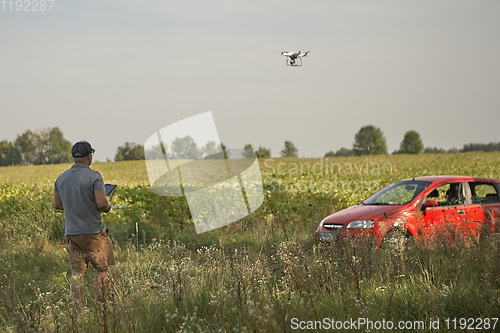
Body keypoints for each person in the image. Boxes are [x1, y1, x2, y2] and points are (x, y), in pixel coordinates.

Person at [53, 141, 114, 309]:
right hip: (94, 233)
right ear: (89, 156)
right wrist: (109, 206)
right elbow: (101, 204)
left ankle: (77, 311)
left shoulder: (61, 178)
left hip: (71, 232)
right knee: (102, 270)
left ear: (74, 157)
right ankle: (101, 307)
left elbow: (57, 204)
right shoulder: (94, 176)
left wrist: (76, 204)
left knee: (77, 273)